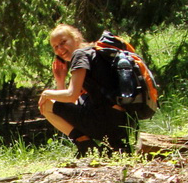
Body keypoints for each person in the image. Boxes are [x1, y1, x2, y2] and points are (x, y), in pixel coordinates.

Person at [38, 24, 136, 156]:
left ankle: (85, 145)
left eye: (63, 42)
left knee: (47, 105)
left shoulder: (80, 55)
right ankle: (114, 145)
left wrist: (46, 93)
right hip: (124, 122)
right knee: (81, 99)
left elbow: (71, 96)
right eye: (55, 47)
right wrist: (60, 79)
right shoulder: (94, 52)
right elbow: (69, 104)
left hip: (107, 121)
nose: (60, 49)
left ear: (76, 38)